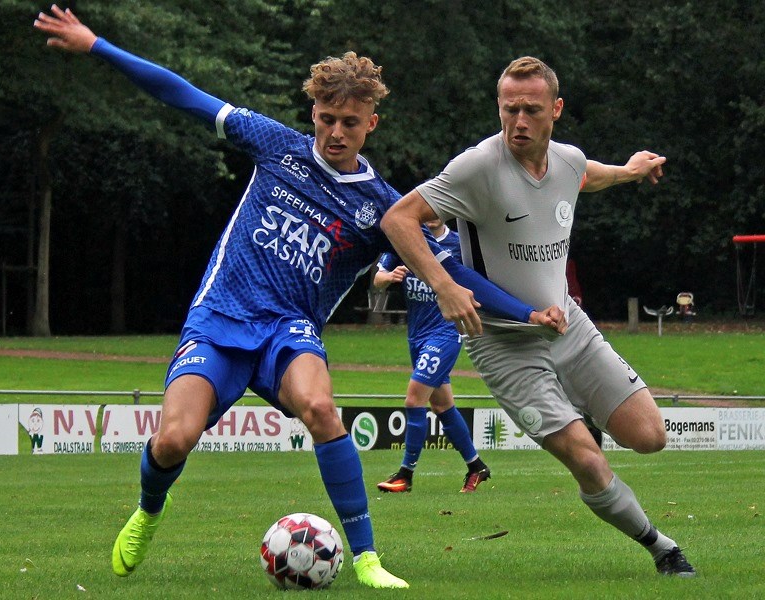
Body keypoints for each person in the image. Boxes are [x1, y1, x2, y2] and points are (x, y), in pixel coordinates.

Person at [34, 9, 563, 589]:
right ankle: (147, 511)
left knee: (319, 409)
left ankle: (365, 558)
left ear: (371, 125)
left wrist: (526, 311)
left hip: (290, 328)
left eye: (350, 123)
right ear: (313, 114)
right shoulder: (275, 146)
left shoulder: (379, 207)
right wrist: (96, 45)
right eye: (327, 119)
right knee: (172, 439)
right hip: (220, 319)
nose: (336, 133)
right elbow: (181, 93)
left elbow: (453, 270)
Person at [380, 56, 696, 577]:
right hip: (505, 345)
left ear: (557, 110)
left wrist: (630, 171)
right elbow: (399, 218)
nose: (518, 121)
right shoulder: (477, 167)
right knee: (588, 460)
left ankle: (577, 404)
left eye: (531, 110)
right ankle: (662, 548)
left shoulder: (567, 160)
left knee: (649, 437)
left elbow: (586, 176)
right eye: (509, 109)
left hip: (567, 325)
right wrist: (444, 286)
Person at [374, 218, 490, 494]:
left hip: (445, 335)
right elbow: (377, 279)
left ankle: (406, 474)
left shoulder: (458, 246)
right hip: (417, 336)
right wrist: (389, 278)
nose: (432, 213)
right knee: (442, 406)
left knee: (414, 399)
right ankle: (476, 466)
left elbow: (480, 283)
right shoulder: (407, 240)